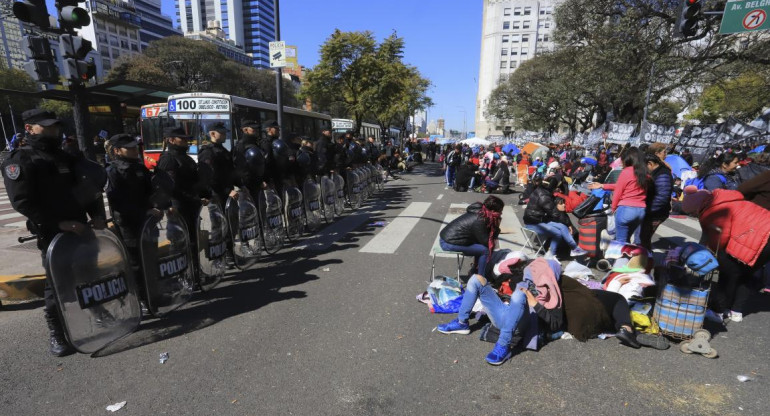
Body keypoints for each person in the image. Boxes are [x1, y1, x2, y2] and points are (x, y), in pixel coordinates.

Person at [2, 109, 107, 356]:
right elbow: (23, 202)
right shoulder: (20, 159)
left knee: (89, 273)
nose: (54, 131)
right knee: (57, 283)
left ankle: (97, 312)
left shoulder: (66, 156)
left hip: (81, 226)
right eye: (47, 127)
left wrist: (97, 214)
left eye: (55, 127)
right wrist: (59, 224)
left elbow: (87, 186)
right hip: (53, 233)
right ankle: (58, 332)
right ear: (29, 128)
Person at [683, 187, 770, 323]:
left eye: (693, 213)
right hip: (765, 236)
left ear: (699, 207)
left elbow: (720, 238)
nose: (694, 215)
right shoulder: (728, 200)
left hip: (758, 237)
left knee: (727, 274)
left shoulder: (713, 210)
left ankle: (718, 311)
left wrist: (708, 254)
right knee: (747, 274)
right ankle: (736, 311)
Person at [105, 134, 164, 307]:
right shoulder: (113, 171)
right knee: (136, 263)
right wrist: (146, 211)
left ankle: (153, 295)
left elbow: (149, 192)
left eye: (135, 147)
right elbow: (118, 202)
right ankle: (141, 300)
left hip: (147, 221)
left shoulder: (139, 167)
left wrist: (158, 204)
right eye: (129, 148)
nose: (134, 150)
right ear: (117, 151)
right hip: (129, 224)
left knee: (150, 258)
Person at [156, 126, 206, 277]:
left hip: (191, 204)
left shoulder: (186, 158)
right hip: (178, 206)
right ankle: (181, 275)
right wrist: (169, 205)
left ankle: (195, 272)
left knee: (192, 240)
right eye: (182, 139)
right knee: (179, 242)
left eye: (186, 139)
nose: (186, 141)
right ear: (171, 140)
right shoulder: (168, 159)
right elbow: (169, 187)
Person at [589, 147, 648, 243]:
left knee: (620, 241)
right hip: (641, 210)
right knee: (630, 240)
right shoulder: (645, 173)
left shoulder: (626, 171)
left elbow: (618, 191)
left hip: (626, 209)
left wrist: (613, 208)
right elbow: (627, 186)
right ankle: (629, 256)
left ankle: (619, 257)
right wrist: (603, 185)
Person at [439, 195, 504, 275]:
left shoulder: (482, 213)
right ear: (493, 211)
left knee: (480, 247)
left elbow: (482, 238)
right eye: (500, 211)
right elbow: (486, 242)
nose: (501, 213)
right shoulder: (480, 219)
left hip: (450, 239)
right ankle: (480, 279)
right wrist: (497, 228)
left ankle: (475, 270)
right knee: (485, 250)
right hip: (448, 242)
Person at [523, 177, 587, 259]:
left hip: (540, 219)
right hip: (533, 222)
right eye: (556, 187)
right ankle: (551, 255)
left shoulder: (543, 191)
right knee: (557, 233)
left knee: (563, 227)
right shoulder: (544, 196)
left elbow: (556, 212)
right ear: (552, 187)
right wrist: (568, 223)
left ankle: (575, 248)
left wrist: (568, 224)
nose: (557, 189)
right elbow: (555, 213)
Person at [198, 122, 238, 207]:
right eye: (222, 133)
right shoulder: (208, 152)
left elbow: (229, 171)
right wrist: (227, 191)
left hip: (228, 193)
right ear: (212, 134)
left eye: (225, 133)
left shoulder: (223, 150)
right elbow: (209, 178)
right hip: (217, 195)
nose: (225, 135)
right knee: (221, 219)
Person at [639, 153, 672, 250]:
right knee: (643, 239)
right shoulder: (656, 173)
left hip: (656, 213)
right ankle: (645, 259)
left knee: (643, 239)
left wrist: (646, 210)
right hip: (651, 211)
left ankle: (645, 260)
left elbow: (662, 197)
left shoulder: (663, 175)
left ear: (650, 164)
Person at [233, 119, 267, 198]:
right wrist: (244, 185)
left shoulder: (256, 143)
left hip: (259, 184)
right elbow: (240, 168)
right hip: (248, 186)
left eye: (257, 129)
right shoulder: (241, 145)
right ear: (245, 130)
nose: (256, 130)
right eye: (253, 129)